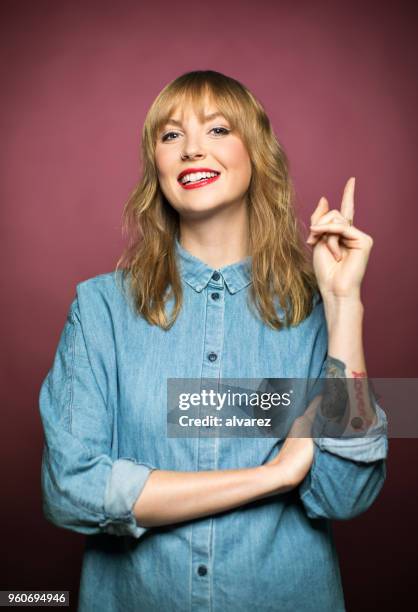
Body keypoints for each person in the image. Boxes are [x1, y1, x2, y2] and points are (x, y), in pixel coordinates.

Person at [38, 70, 388, 612]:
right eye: (171, 135)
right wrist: (272, 476)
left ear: (258, 154)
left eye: (218, 129)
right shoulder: (99, 309)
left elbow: (345, 495)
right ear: (156, 165)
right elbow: (71, 490)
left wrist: (343, 306)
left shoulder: (313, 312)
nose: (192, 149)